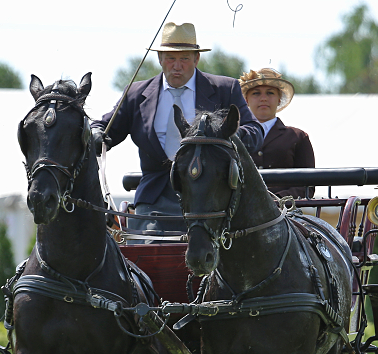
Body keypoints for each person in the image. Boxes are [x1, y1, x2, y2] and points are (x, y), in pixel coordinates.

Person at [93, 22, 264, 236]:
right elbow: (104, 129)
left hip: (214, 200)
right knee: (148, 258)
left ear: (196, 59)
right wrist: (93, 134)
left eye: (184, 58)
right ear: (160, 59)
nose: (177, 66)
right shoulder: (136, 95)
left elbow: (254, 131)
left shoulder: (225, 89)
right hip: (155, 201)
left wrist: (222, 135)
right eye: (171, 58)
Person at [238, 68, 315, 199]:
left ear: (279, 99)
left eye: (270, 93)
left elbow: (307, 185)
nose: (263, 98)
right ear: (246, 100)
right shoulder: (233, 136)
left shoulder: (298, 137)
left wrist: (278, 200)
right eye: (256, 93)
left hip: (286, 212)